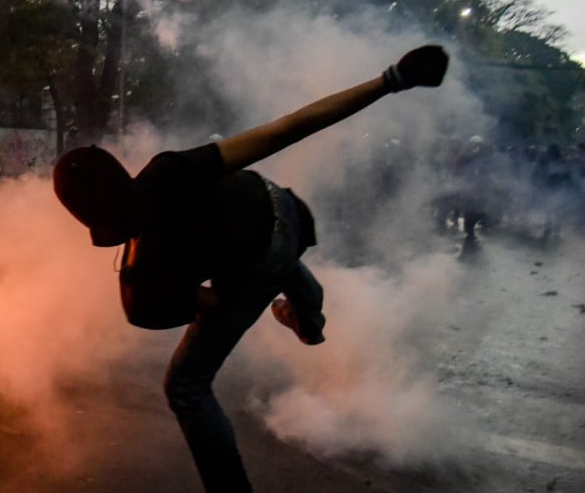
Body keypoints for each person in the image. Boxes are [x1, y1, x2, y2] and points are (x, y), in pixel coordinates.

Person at [52, 45, 449, 493]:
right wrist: (389, 79)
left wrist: (215, 291)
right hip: (283, 211)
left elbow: (217, 300)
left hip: (257, 259)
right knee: (269, 260)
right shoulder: (168, 172)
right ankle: (306, 313)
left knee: (185, 387)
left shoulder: (142, 283)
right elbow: (286, 129)